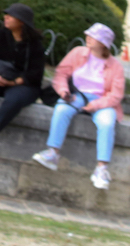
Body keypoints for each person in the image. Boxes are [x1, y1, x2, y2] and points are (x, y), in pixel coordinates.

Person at [31, 24, 124, 190]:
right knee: (62, 110)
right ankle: (53, 152)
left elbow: (116, 95)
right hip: (76, 94)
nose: (88, 38)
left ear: (103, 43)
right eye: (87, 35)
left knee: (107, 123)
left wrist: (95, 105)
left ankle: (102, 168)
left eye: (93, 37)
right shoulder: (77, 53)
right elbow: (61, 74)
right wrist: (64, 91)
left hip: (102, 101)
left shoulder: (115, 66)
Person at [0, 5, 48, 155]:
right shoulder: (0, 35)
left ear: (22, 22)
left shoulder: (35, 45)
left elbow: (35, 74)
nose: (6, 17)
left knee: (13, 100)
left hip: (23, 83)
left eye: (10, 16)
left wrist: (12, 83)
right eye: (6, 14)